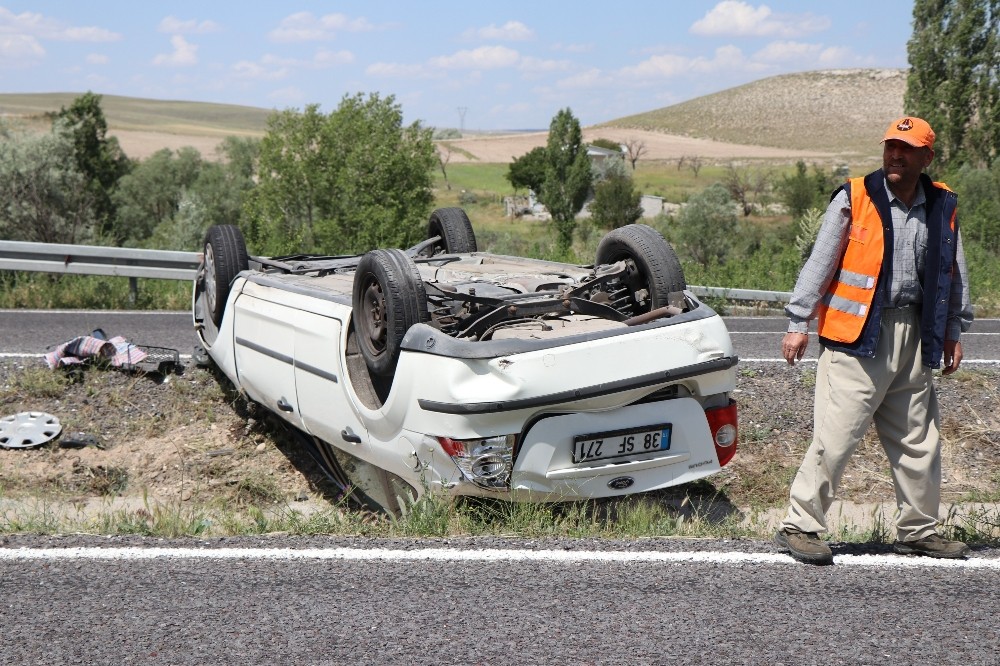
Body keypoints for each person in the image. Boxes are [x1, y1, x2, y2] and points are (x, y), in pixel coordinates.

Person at [774, 116, 974, 565]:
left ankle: (918, 530)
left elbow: (953, 273)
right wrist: (797, 321)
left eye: (906, 149)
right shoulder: (854, 197)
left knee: (919, 439)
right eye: (890, 147)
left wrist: (953, 331)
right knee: (836, 436)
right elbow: (819, 262)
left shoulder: (943, 204)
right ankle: (800, 525)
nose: (895, 155)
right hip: (855, 337)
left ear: (927, 157)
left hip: (915, 335)